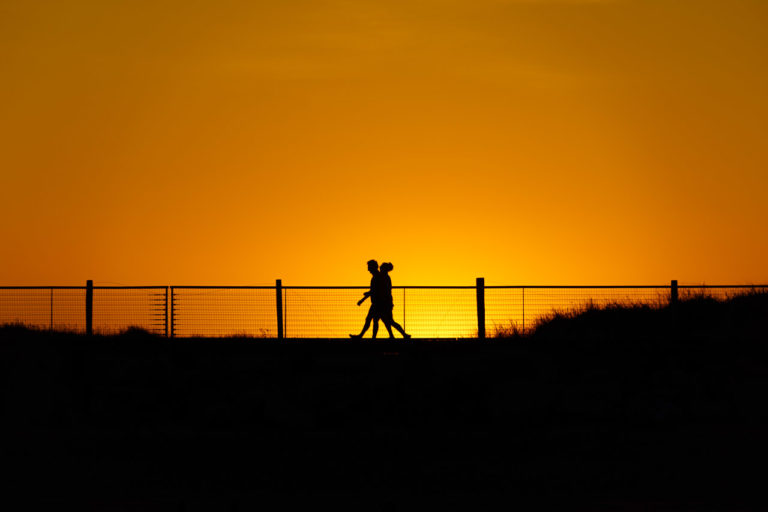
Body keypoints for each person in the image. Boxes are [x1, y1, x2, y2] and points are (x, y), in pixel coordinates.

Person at [349, 260, 384, 339]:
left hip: (378, 303)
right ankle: (364, 336)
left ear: (373, 267)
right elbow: (373, 290)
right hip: (376, 302)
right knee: (371, 320)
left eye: (369, 267)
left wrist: (363, 298)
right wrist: (364, 298)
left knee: (374, 320)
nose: (368, 269)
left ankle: (369, 337)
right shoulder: (376, 277)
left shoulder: (377, 277)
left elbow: (375, 290)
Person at [378, 262, 411, 339]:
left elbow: (384, 290)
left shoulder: (385, 278)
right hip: (386, 302)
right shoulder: (385, 277)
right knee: (386, 320)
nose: (380, 268)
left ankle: (404, 334)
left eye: (381, 267)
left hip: (386, 302)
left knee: (389, 321)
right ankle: (393, 335)